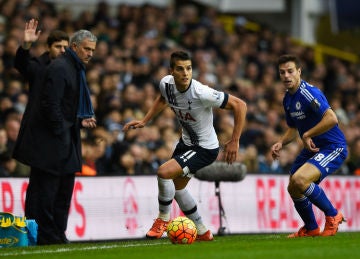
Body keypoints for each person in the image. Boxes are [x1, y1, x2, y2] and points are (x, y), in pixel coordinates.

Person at [123, 51, 247, 241]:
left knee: (164, 173)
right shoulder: (166, 84)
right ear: (171, 71)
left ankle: (162, 219)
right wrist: (145, 120)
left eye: (188, 68)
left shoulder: (201, 93)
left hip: (205, 148)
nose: (185, 73)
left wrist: (235, 140)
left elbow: (240, 105)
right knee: (177, 189)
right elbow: (163, 98)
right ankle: (203, 231)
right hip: (186, 142)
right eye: (180, 69)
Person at [12, 28, 97, 245]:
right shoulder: (58, 68)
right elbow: (51, 103)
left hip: (67, 137)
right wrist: (60, 131)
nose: (90, 54)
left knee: (63, 190)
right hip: (51, 141)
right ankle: (44, 235)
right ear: (75, 47)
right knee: (46, 191)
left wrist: (78, 121)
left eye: (92, 50)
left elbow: (64, 105)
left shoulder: (75, 69)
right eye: (87, 49)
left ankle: (58, 232)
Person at [271, 54, 347, 238]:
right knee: (293, 187)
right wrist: (281, 142)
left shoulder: (308, 93)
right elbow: (293, 127)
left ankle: (333, 215)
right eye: (282, 72)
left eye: (290, 71)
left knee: (300, 181)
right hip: (313, 147)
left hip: (332, 146)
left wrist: (307, 134)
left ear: (299, 72)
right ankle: (311, 228)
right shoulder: (288, 99)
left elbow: (332, 118)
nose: (286, 76)